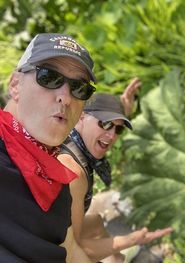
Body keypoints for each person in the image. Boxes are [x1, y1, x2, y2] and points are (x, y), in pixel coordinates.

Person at [0, 33, 96, 262]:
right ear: (16, 85)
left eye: (79, 88)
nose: (66, 97)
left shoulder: (55, 180)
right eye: (49, 77)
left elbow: (70, 250)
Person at [58, 87, 173, 262]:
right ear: (81, 117)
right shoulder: (75, 172)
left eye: (118, 129)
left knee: (96, 221)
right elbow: (71, 251)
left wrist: (121, 109)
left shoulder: (64, 132)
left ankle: (116, 259)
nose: (112, 135)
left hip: (50, 230)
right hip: (45, 250)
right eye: (105, 123)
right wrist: (132, 239)